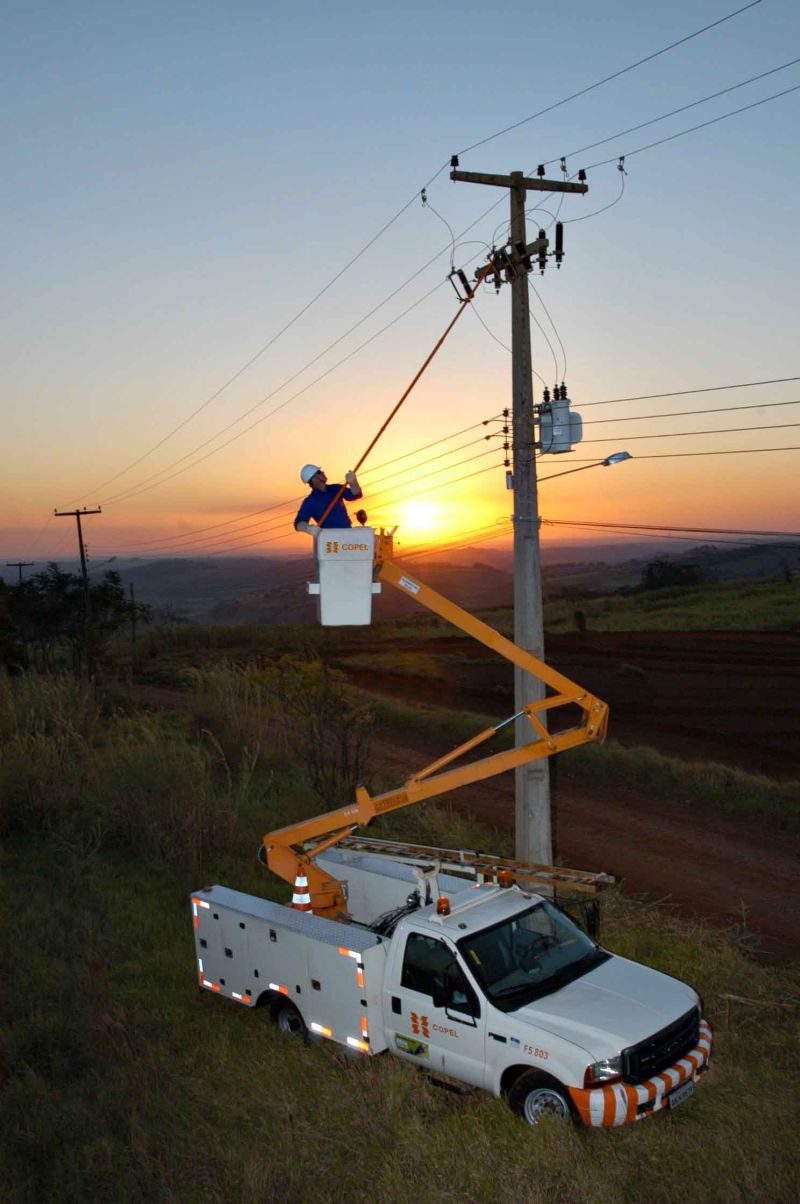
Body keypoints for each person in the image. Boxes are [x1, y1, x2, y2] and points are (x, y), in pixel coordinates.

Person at [294, 464, 363, 536]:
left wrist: (353, 483)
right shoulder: (310, 501)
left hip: (347, 534)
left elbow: (356, 494)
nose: (323, 472)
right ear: (313, 478)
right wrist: (308, 528)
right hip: (329, 540)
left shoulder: (336, 488)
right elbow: (298, 523)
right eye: (319, 472)